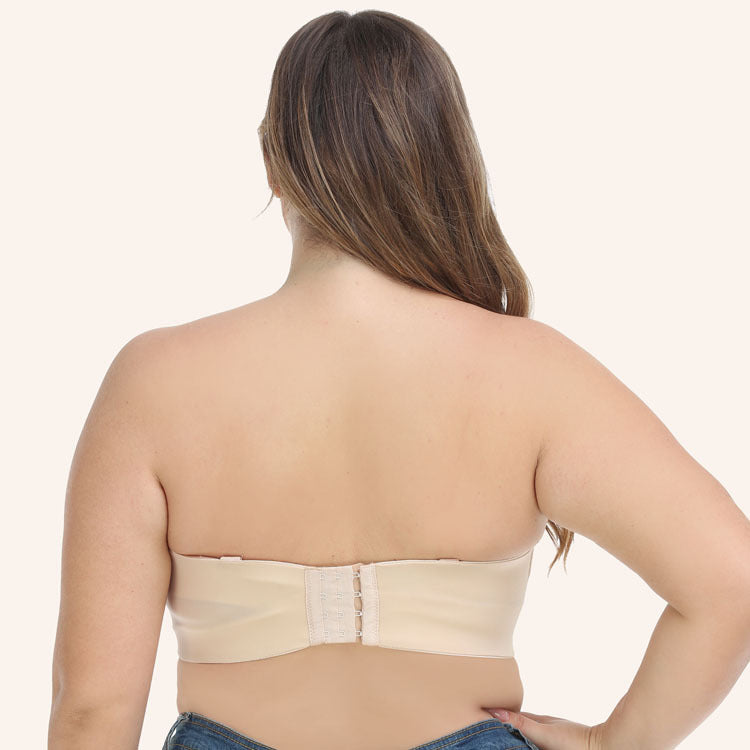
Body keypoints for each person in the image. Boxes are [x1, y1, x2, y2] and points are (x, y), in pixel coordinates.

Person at [48, 10, 750, 750]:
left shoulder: (155, 383)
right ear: (445, 161)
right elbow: (732, 582)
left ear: (274, 165)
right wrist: (615, 743)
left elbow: (93, 707)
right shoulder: (531, 374)